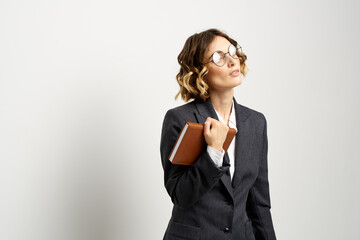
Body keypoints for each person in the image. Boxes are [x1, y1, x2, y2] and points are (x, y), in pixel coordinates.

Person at [160, 28, 276, 240]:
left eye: (232, 51)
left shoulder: (256, 123)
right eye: (218, 58)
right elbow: (180, 195)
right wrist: (213, 151)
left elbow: (259, 203)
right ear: (199, 71)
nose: (233, 61)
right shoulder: (179, 120)